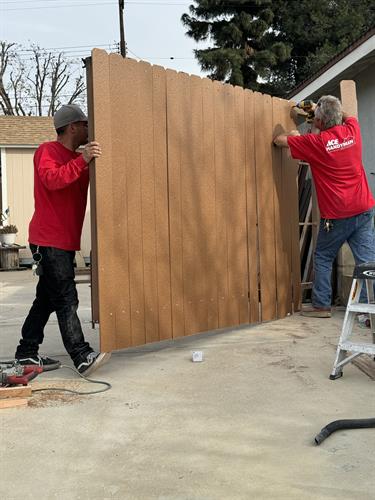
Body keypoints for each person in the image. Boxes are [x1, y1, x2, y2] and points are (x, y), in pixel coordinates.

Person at [15, 104, 110, 375]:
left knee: (46, 299)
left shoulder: (83, 157)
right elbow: (52, 179)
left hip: (64, 242)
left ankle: (26, 353)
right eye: (85, 124)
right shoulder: (48, 151)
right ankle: (81, 355)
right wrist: (83, 161)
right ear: (72, 127)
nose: (89, 129)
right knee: (67, 297)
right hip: (48, 240)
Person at [273, 95, 375, 317]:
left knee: (323, 256)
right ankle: (368, 312)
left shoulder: (316, 143)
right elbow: (349, 116)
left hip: (337, 214)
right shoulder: (353, 131)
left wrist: (294, 134)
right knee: (368, 262)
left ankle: (321, 306)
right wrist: (325, 112)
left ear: (318, 121)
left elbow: (280, 141)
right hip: (364, 208)